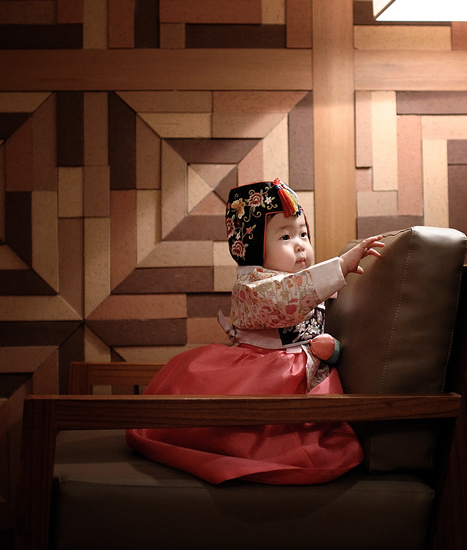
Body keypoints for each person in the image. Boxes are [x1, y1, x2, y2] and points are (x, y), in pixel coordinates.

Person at [125, 179, 384, 485]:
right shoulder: (253, 286)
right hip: (266, 369)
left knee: (317, 429)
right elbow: (285, 297)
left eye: (303, 233)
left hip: (305, 366)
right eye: (285, 236)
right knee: (253, 432)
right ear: (253, 247)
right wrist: (339, 266)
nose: (300, 244)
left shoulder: (305, 280)